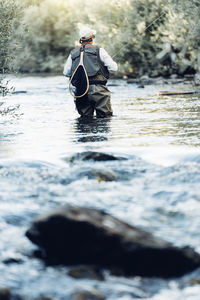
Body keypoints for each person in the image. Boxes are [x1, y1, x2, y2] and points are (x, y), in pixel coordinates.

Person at [63, 27, 118, 118]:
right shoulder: (99, 50)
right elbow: (114, 68)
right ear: (92, 38)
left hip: (80, 90)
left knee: (85, 119)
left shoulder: (73, 53)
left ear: (81, 39)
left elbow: (66, 72)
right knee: (104, 118)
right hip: (98, 89)